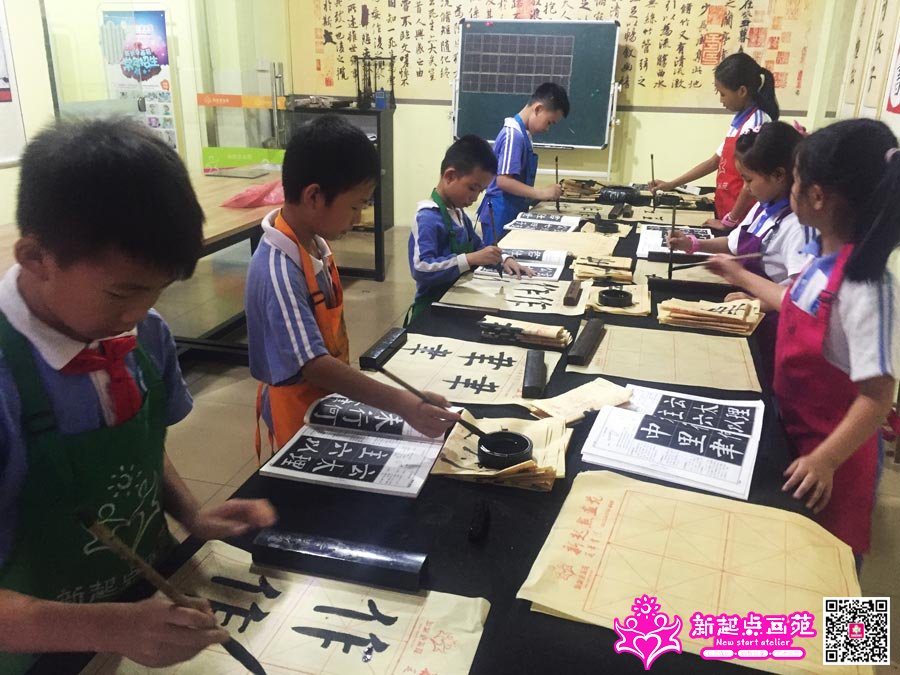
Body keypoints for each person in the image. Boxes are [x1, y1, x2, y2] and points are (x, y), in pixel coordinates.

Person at [0, 118, 277, 673]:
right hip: (36, 650)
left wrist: (192, 515)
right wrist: (108, 626)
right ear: (35, 257)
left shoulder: (143, 334)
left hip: (143, 601)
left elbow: (138, 451)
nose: (138, 313)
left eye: (157, 291)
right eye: (121, 292)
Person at [707, 119, 900, 563]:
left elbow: (877, 396)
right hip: (795, 429)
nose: (789, 190)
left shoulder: (865, 285)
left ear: (815, 196)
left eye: (794, 180)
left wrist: (826, 460)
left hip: (835, 457)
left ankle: (851, 615)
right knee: (795, 559)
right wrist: (738, 274)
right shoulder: (821, 259)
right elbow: (792, 303)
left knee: (835, 565)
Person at [245, 115, 459, 451]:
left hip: (326, 403)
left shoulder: (315, 245)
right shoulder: (279, 269)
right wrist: (403, 404)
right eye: (356, 206)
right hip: (298, 417)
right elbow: (314, 365)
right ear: (314, 196)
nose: (359, 218)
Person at [407, 135, 535, 323]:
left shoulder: (458, 213)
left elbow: (479, 246)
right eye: (472, 188)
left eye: (480, 191)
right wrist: (470, 259)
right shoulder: (427, 218)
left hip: (455, 301)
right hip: (432, 310)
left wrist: (503, 258)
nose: (475, 198)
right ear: (450, 176)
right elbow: (421, 269)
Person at [669, 121, 813, 285]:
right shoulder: (764, 206)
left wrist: (754, 297)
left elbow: (800, 291)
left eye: (749, 180)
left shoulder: (797, 227)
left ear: (778, 175)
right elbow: (733, 244)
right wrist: (691, 244)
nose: (745, 188)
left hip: (764, 300)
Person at [649, 52, 779, 230]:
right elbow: (714, 162)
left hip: (741, 217)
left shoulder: (757, 123)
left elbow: (751, 182)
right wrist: (672, 184)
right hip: (727, 208)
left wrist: (730, 220)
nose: (720, 100)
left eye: (723, 94)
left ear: (742, 91)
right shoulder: (740, 120)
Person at [476, 82, 570, 243]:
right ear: (538, 109)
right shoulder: (514, 136)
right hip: (500, 212)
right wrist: (541, 193)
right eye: (549, 122)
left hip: (511, 210)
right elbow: (503, 181)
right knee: (497, 256)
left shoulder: (523, 135)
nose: (547, 129)